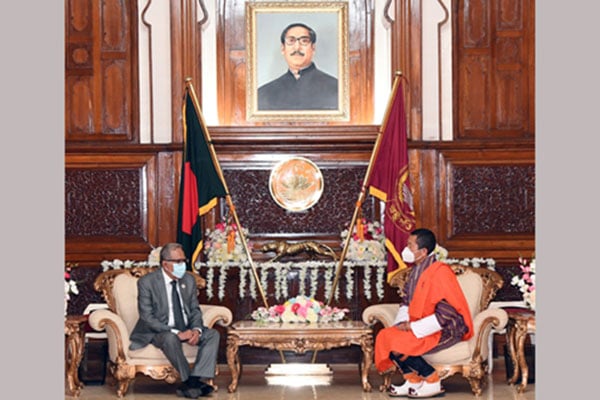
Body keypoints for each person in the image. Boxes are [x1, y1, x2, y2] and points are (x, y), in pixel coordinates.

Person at [374, 229, 474, 398]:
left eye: (410, 246)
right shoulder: (415, 270)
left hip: (444, 329)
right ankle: (413, 380)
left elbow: (447, 311)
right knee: (386, 336)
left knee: (398, 342)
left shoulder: (440, 272)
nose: (406, 249)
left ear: (423, 251)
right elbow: (407, 301)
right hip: (418, 325)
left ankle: (432, 380)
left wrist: (414, 327)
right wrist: (402, 323)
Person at [129, 243, 219, 398]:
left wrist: (196, 330)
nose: (182, 265)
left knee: (212, 335)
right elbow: (147, 318)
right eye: (178, 261)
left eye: (184, 261)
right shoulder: (147, 282)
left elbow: (194, 310)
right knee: (170, 338)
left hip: (186, 327)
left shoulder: (188, 280)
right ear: (165, 264)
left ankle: (193, 382)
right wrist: (177, 333)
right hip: (159, 331)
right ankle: (190, 382)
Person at [257, 22, 338, 110]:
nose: (297, 47)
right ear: (283, 49)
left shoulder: (336, 88)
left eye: (304, 41)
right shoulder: (263, 94)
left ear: (313, 48)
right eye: (291, 41)